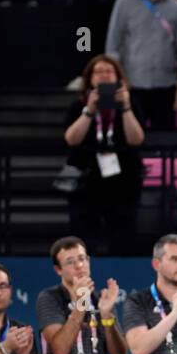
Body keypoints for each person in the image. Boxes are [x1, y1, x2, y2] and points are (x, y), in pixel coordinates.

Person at [36, 236, 127, 354]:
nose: (79, 265)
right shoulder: (50, 298)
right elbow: (59, 350)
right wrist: (79, 306)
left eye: (82, 259)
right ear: (58, 269)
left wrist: (107, 316)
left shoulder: (101, 299)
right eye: (70, 262)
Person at [61, 54, 146, 241]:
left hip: (123, 181)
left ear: (118, 77)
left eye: (109, 71)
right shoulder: (79, 105)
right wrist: (89, 110)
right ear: (90, 79)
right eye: (98, 72)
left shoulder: (131, 104)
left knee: (122, 236)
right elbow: (71, 139)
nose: (104, 75)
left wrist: (125, 108)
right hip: (86, 181)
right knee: (83, 237)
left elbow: (136, 139)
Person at [104, 0, 177, 134]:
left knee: (164, 144)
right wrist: (121, 82)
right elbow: (112, 48)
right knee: (131, 143)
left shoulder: (176, 7)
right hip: (132, 87)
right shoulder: (124, 4)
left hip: (166, 87)